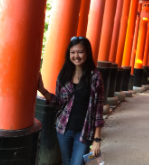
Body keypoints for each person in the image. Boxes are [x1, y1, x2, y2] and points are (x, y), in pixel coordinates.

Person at [37, 36, 104, 165]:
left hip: (85, 132)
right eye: (72, 52)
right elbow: (59, 103)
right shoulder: (64, 75)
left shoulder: (95, 77)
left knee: (77, 163)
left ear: (87, 53)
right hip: (63, 129)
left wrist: (97, 140)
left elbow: (98, 111)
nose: (76, 56)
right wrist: (43, 91)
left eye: (80, 52)